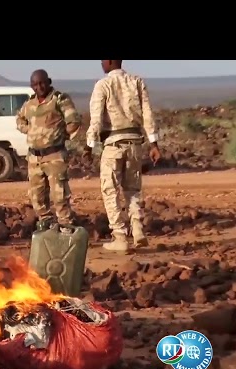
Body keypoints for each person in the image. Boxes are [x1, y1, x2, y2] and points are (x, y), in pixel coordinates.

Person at [84, 60, 162, 253]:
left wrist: (89, 146)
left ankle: (119, 236)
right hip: (135, 143)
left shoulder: (103, 85)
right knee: (133, 189)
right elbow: (148, 114)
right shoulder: (136, 81)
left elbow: (96, 120)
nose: (101, 64)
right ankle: (137, 229)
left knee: (110, 190)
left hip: (113, 145)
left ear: (109, 61)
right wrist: (154, 144)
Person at [16, 69, 82, 230]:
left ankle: (66, 228)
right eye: (35, 85)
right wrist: (29, 130)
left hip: (55, 155)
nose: (39, 87)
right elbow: (19, 119)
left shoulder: (59, 100)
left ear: (49, 81)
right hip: (34, 158)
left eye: (42, 83)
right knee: (37, 197)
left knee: (59, 196)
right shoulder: (29, 104)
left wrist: (60, 135)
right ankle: (46, 226)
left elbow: (73, 121)